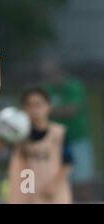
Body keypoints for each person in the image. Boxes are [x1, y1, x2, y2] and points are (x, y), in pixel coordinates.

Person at [41, 59, 96, 201]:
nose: (51, 76)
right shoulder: (45, 89)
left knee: (83, 182)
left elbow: (71, 110)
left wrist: (49, 110)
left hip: (77, 140)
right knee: (58, 183)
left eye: (53, 72)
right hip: (55, 143)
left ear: (61, 71)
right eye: (47, 73)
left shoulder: (74, 86)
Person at [8, 87, 73, 204]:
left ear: (48, 106)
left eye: (38, 105)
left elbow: (68, 162)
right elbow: (0, 146)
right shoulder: (17, 135)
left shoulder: (59, 133)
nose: (34, 110)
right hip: (26, 194)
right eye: (29, 105)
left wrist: (54, 184)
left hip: (53, 194)